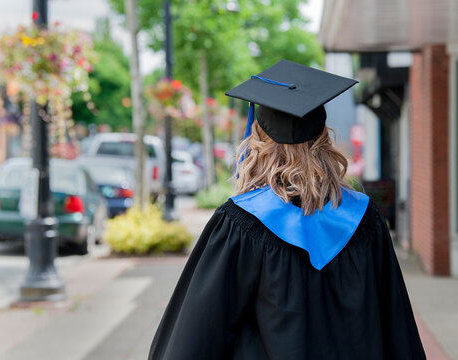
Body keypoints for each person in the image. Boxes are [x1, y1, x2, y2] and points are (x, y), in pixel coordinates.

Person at [148, 60, 425, 359]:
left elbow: (193, 338)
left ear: (258, 140)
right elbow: (397, 329)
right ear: (323, 137)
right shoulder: (364, 219)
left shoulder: (241, 225)